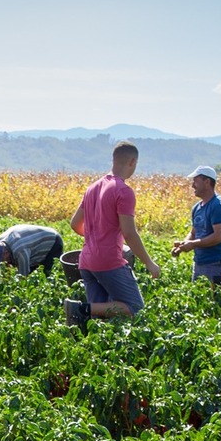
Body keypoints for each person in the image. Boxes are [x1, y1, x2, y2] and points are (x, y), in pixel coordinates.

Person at [64, 141, 161, 328]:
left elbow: (75, 224)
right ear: (133, 162)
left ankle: (83, 312)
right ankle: (80, 309)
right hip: (108, 261)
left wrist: (96, 237)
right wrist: (149, 263)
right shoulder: (123, 191)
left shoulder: (92, 188)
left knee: (101, 321)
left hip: (87, 261)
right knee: (135, 308)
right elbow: (129, 233)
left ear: (114, 160)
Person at [170, 165, 221, 283]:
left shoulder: (218, 206)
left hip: (216, 262)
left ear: (207, 182)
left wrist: (192, 244)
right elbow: (194, 232)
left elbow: (219, 237)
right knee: (199, 298)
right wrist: (183, 245)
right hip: (199, 261)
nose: (192, 185)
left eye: (195, 181)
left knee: (214, 299)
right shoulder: (197, 208)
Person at [0, 223, 64, 276]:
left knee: (48, 273)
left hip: (52, 241)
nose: (3, 263)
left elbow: (23, 276)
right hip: (31, 243)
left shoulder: (20, 250)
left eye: (2, 260)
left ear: (6, 253)